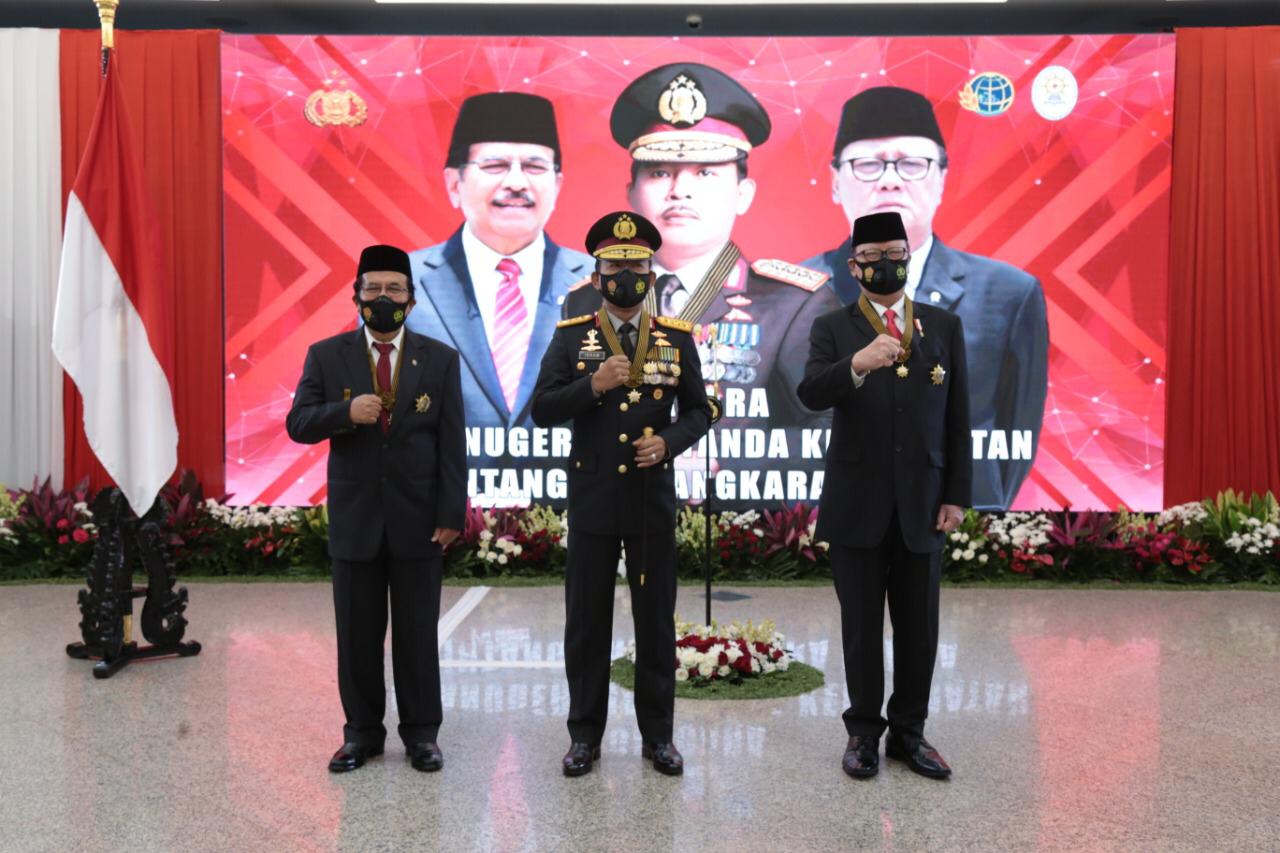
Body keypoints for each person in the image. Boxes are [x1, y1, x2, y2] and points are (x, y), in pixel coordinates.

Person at [802, 86, 1048, 509]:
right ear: (836, 182)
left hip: (953, 513)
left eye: (912, 164)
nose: (890, 180)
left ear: (942, 180)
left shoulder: (1009, 294)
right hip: (833, 510)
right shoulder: (797, 291)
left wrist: (974, 515)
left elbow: (1015, 430)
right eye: (867, 165)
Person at [562, 63, 837, 432]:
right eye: (660, 173)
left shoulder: (795, 305)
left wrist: (716, 458)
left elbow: (830, 430)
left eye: (705, 172)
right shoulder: (585, 302)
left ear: (743, 194)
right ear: (631, 194)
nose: (680, 191)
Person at [532, 211, 711, 777]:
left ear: (651, 276)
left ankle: (659, 738)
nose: (625, 278)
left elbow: (701, 410)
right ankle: (584, 737)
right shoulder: (572, 336)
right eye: (614, 268)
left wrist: (670, 442)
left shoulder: (674, 338)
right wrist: (592, 385)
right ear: (597, 276)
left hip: (650, 501)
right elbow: (542, 409)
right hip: (593, 500)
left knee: (655, 623)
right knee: (587, 624)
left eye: (636, 268)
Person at [797, 212, 972, 781]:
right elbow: (808, 393)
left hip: (923, 502)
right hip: (857, 503)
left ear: (909, 258)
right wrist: (856, 364)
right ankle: (863, 735)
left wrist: (956, 494)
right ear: (854, 267)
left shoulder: (942, 326)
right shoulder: (832, 326)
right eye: (872, 257)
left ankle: (910, 734)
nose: (885, 264)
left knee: (920, 628)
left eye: (895, 253)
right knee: (861, 628)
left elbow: (958, 417)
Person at [286, 244, 467, 774]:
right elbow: (298, 424)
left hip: (419, 523)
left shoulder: (439, 358)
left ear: (411, 299)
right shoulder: (327, 355)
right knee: (357, 638)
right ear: (356, 297)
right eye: (373, 289)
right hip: (357, 521)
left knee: (417, 637)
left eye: (394, 289)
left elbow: (452, 444)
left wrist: (450, 513)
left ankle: (422, 736)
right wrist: (345, 412)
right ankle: (361, 735)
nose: (383, 298)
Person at [408, 92, 592, 430]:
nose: (517, 183)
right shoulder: (402, 283)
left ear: (557, 185)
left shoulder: (601, 285)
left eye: (535, 167)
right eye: (495, 166)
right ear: (454, 184)